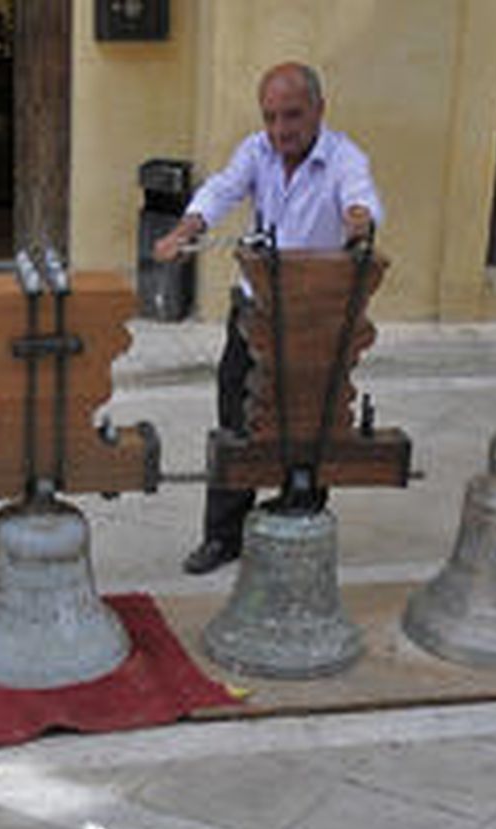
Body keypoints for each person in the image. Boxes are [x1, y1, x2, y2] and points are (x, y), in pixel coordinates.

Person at [153, 63, 383, 574]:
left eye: (293, 116)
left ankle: (300, 518)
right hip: (256, 309)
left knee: (311, 417)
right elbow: (221, 190)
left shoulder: (345, 157)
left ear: (320, 110)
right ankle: (223, 536)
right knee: (237, 415)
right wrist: (187, 227)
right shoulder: (256, 150)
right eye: (272, 117)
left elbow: (361, 199)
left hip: (316, 315)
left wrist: (359, 221)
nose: (281, 130)